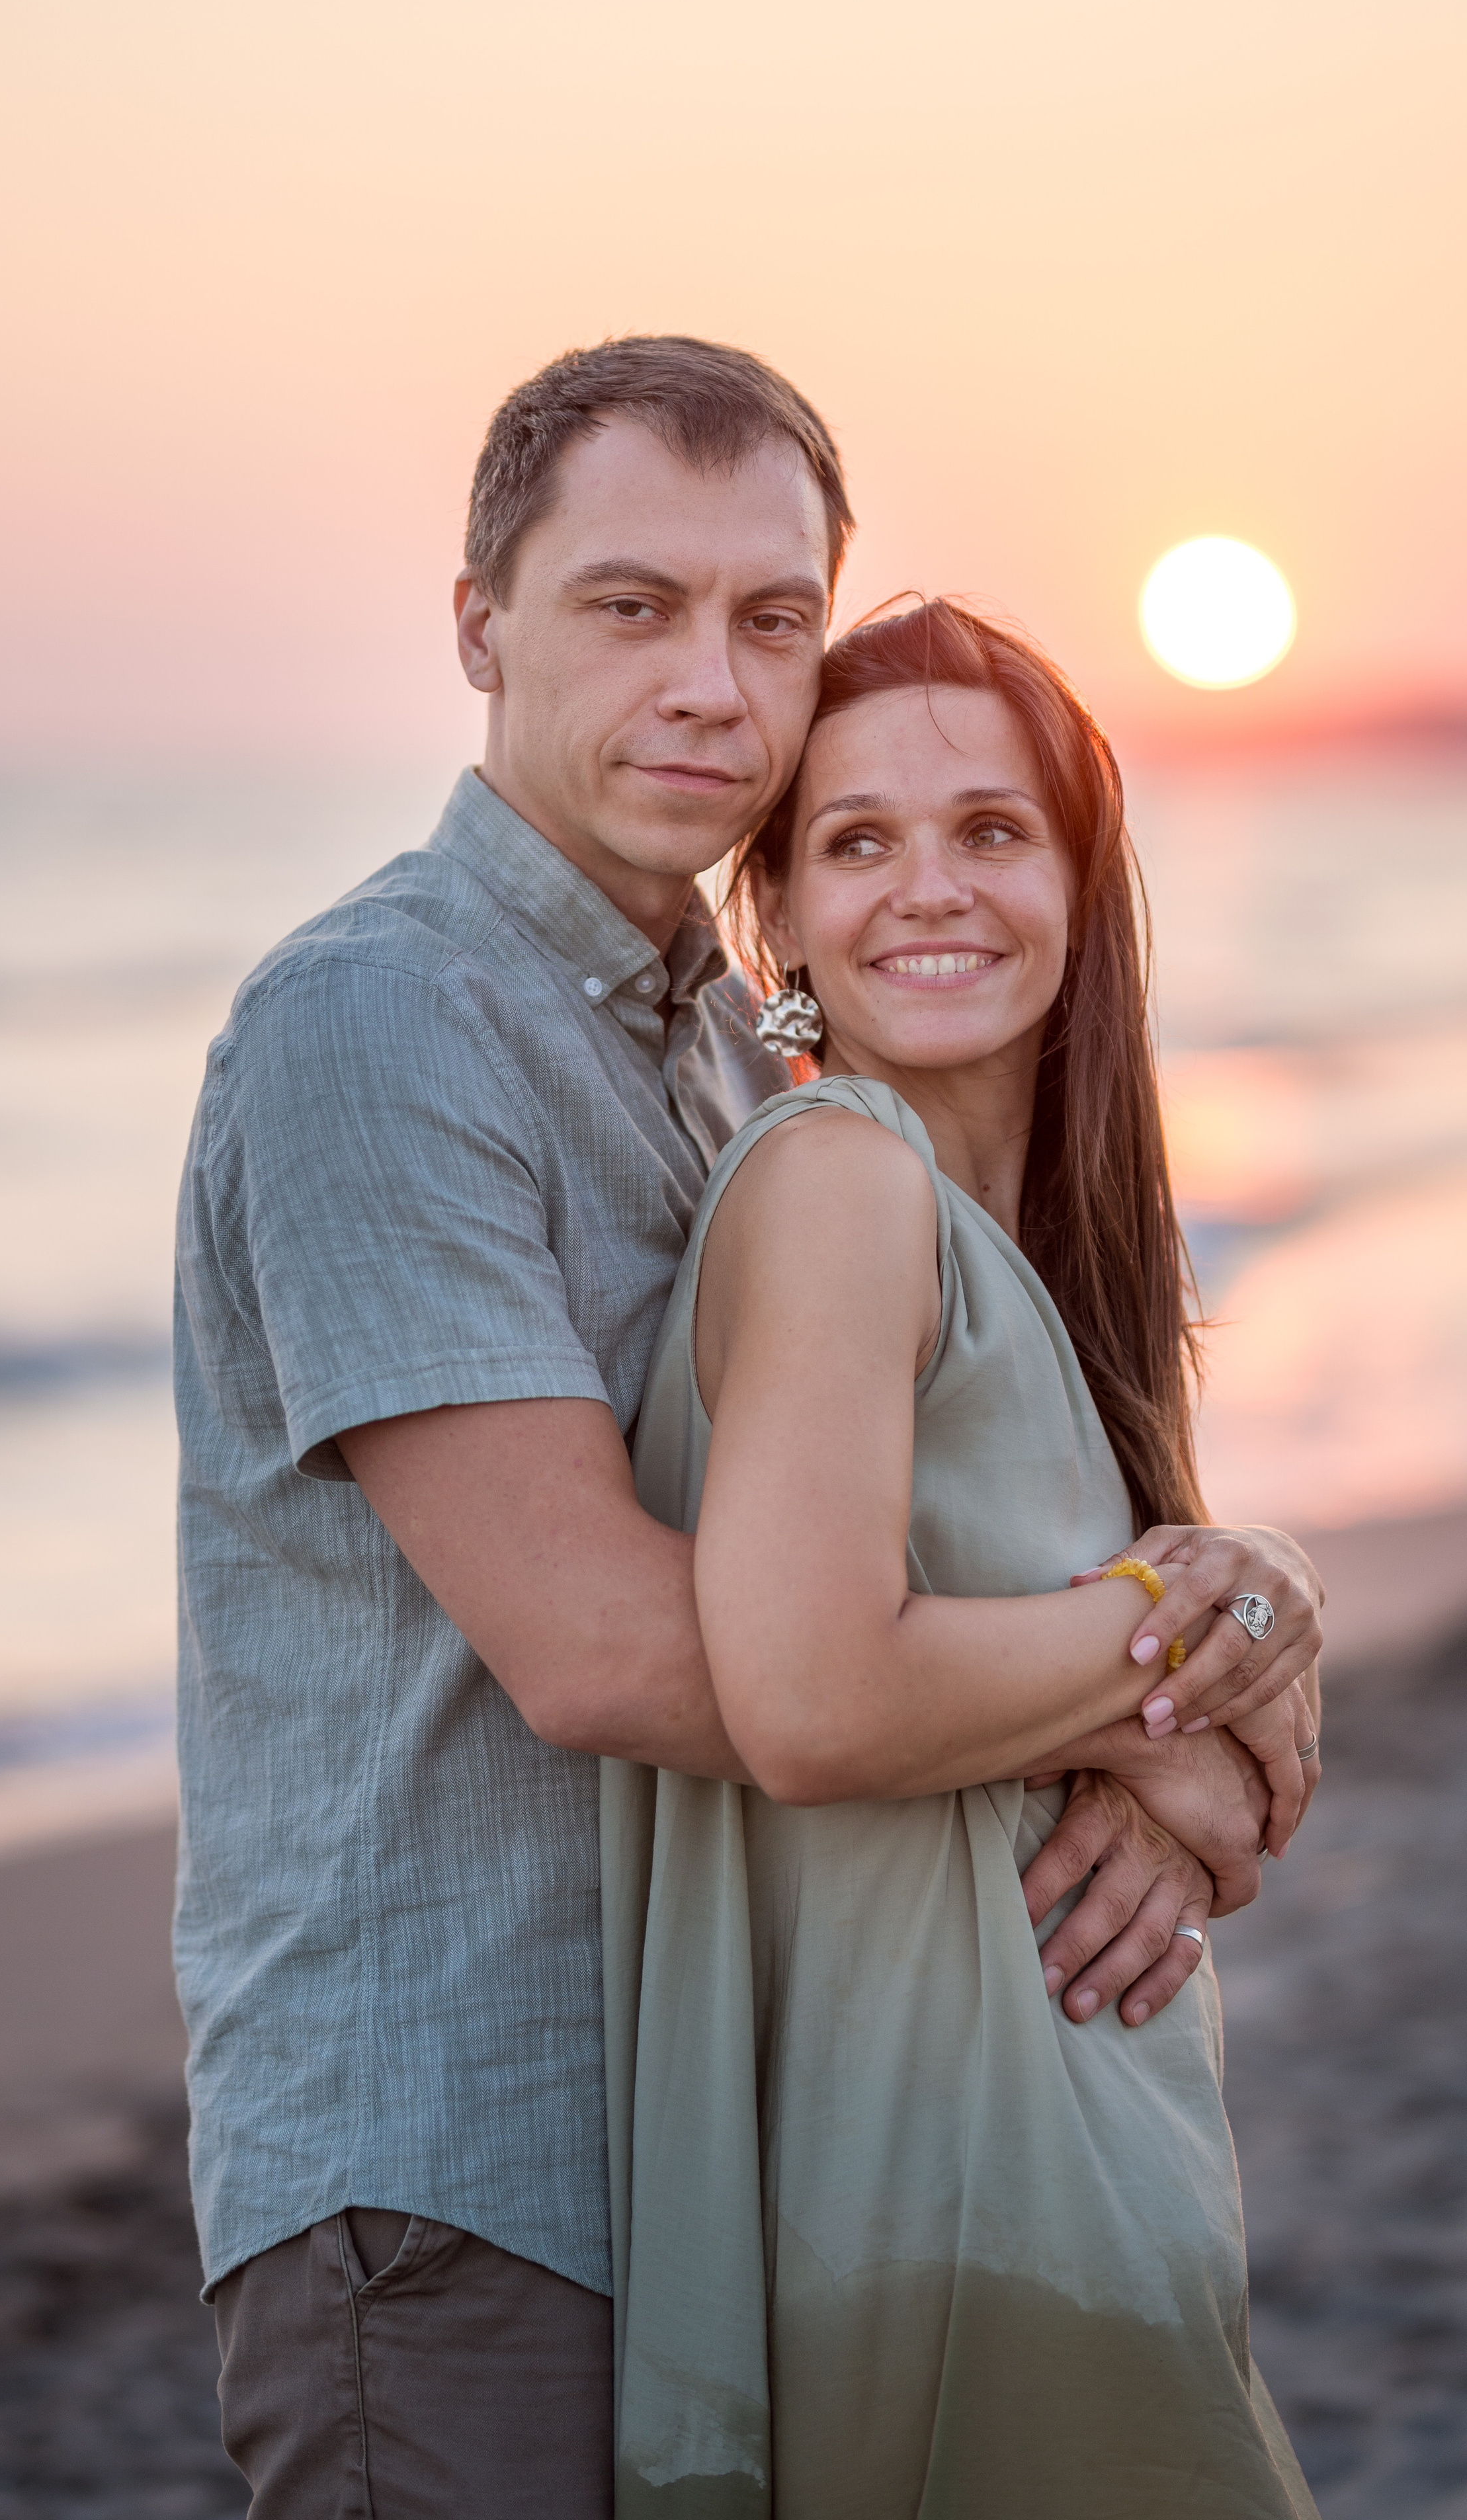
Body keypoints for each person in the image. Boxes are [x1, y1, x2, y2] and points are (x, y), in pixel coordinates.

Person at [173, 338, 1324, 2517]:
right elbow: (623, 1647)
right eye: (634, 606)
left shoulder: (735, 1073)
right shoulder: (381, 1019)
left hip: (736, 2142)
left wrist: (1245, 1602)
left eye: (770, 618)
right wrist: (1160, 1708)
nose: (715, 682)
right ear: (479, 626)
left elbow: (906, 1557)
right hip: (460, 2172)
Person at [604, 596, 1323, 2517]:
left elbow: (1220, 1807)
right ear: (780, 922)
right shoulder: (839, 1180)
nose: (932, 888)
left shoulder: (1016, 1262)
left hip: (1078, 2170)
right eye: (858, 841)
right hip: (938, 2202)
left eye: (993, 830)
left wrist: (1233, 1635)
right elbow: (823, 1699)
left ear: (1086, 888)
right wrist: (1198, 1638)